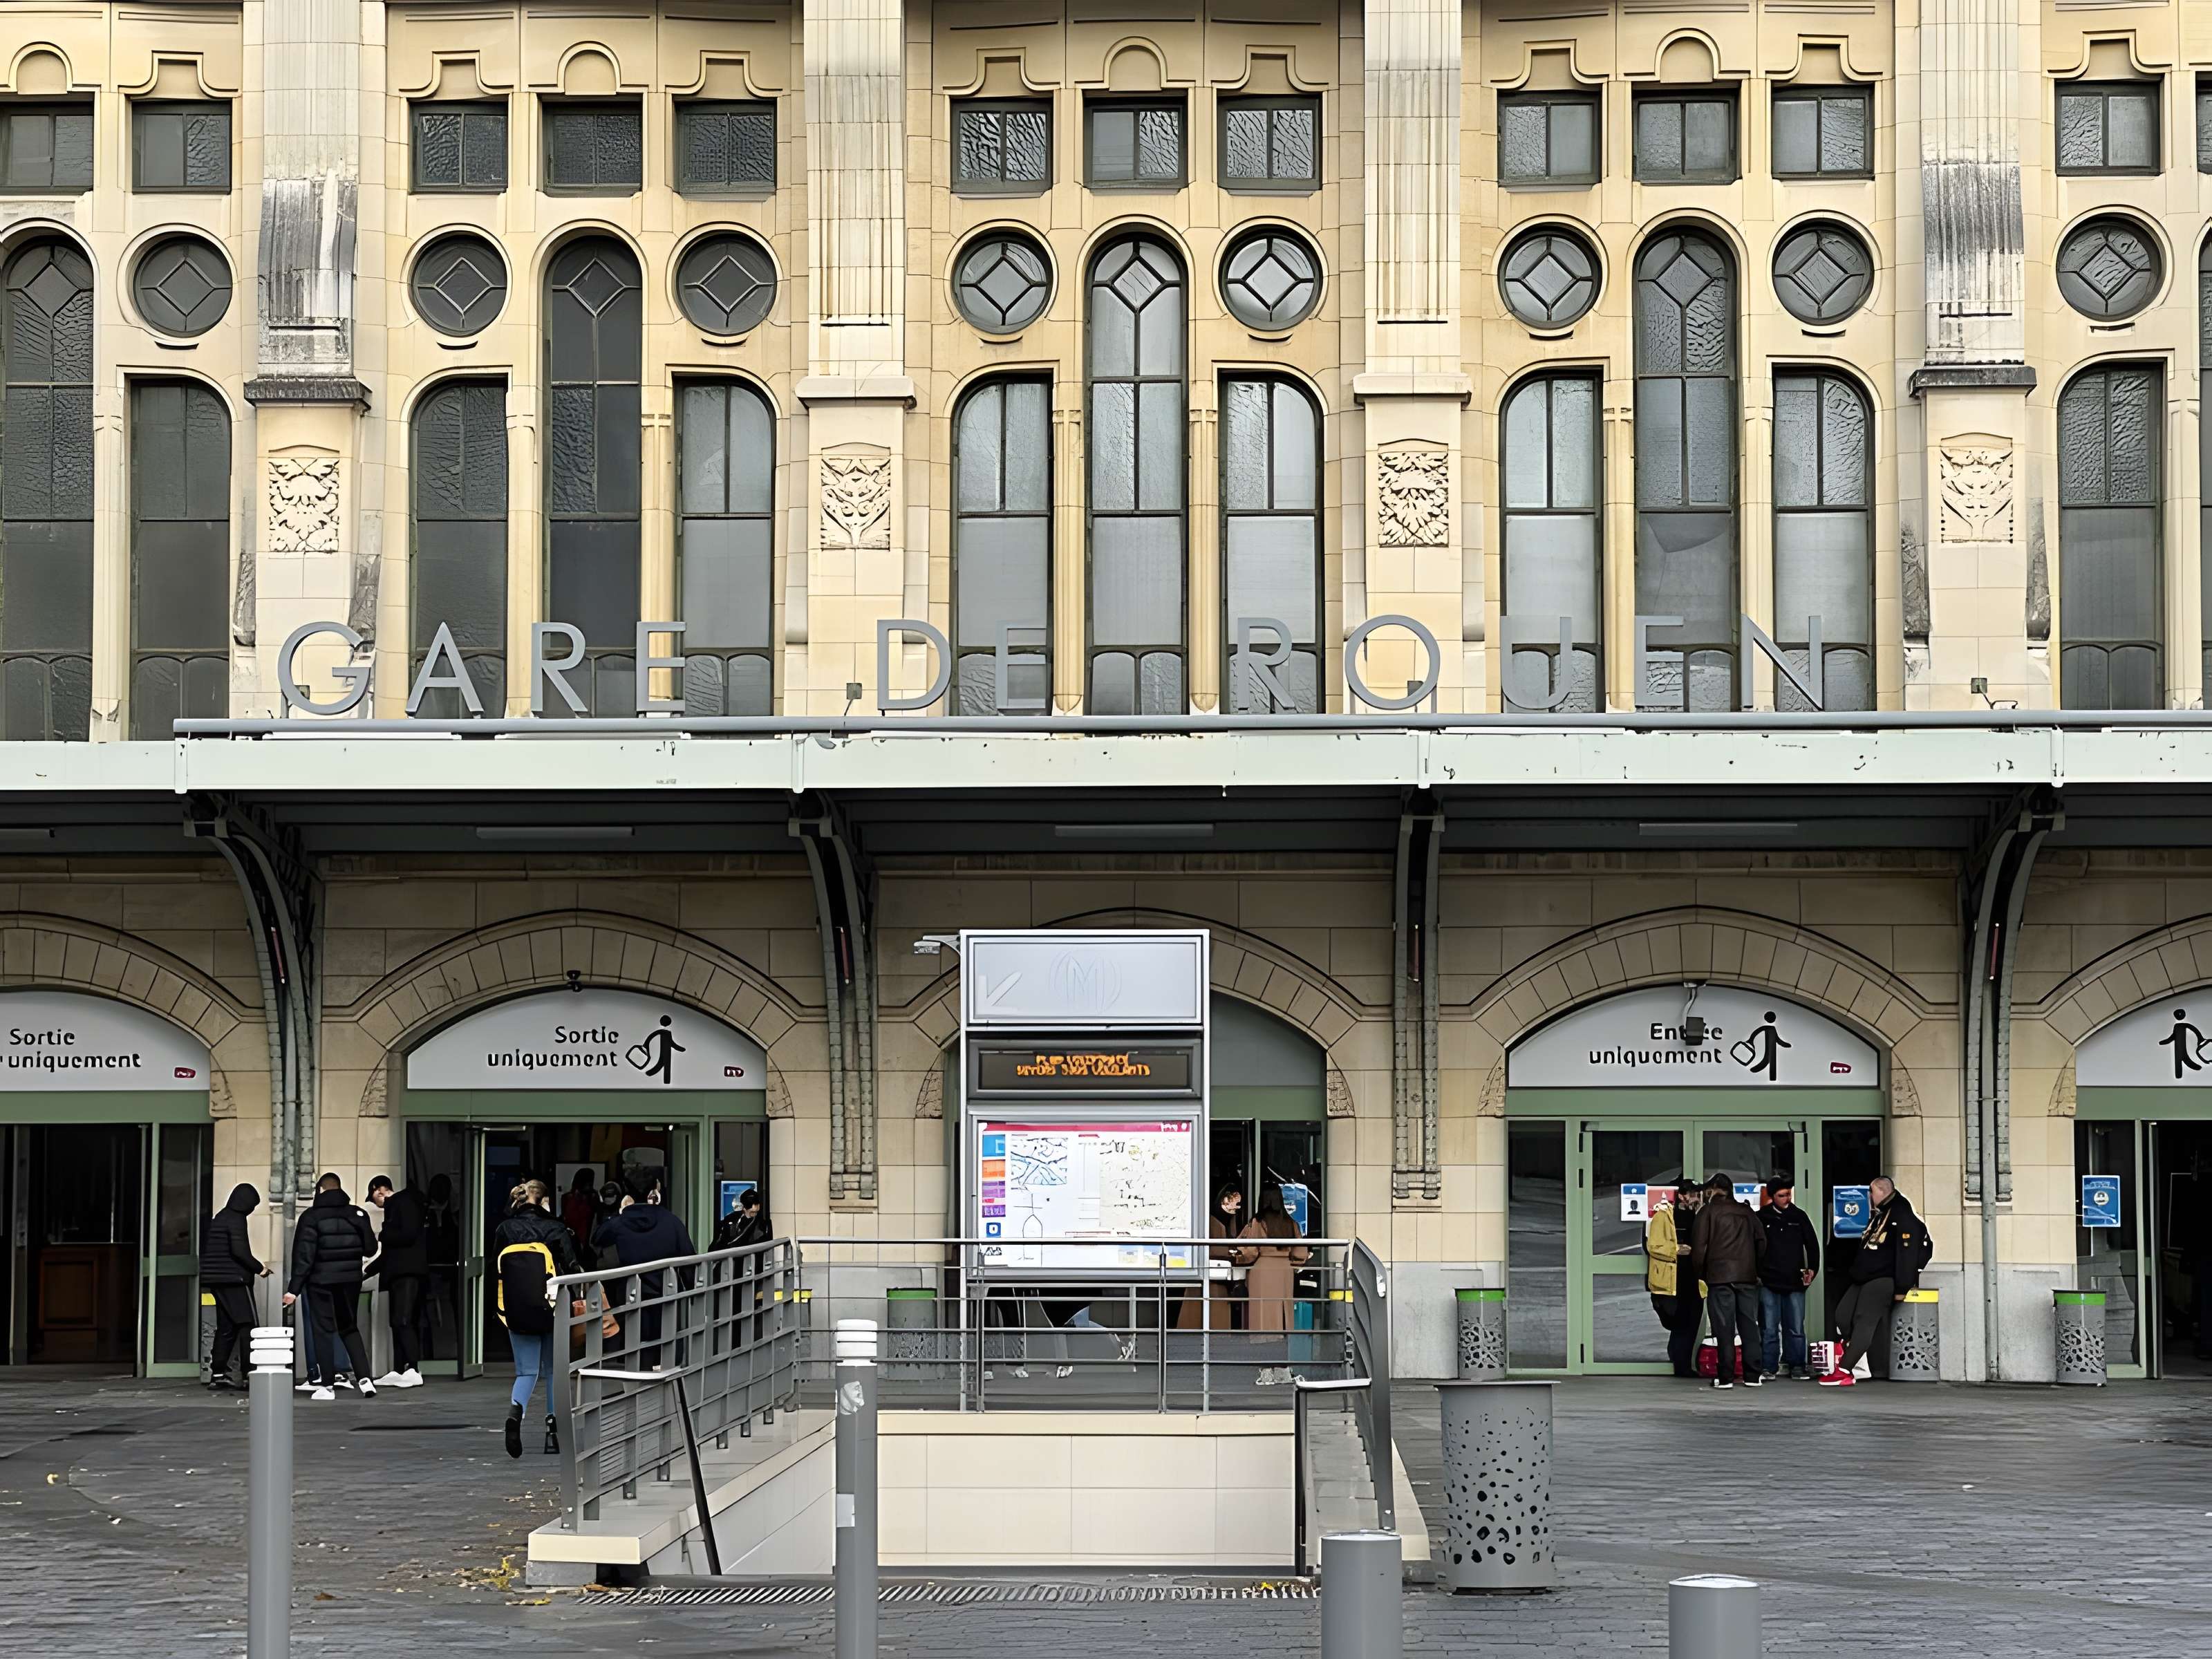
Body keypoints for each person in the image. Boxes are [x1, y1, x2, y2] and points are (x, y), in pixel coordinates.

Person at [491, 1179, 585, 1458]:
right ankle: (553, 1430)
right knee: (554, 1371)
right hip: (552, 1309)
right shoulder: (555, 1228)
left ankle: (515, 1414)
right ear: (545, 1201)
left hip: (516, 1309)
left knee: (526, 1372)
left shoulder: (505, 1229)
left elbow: (495, 1267)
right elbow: (572, 1267)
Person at [1821, 1175, 1930, 1387]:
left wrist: (1903, 1285)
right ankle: (1860, 1364)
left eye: (1871, 1192)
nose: (1869, 1197)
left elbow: (1910, 1253)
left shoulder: (1901, 1214)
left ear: (1881, 1191)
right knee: (1842, 1316)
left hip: (1882, 1279)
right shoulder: (1880, 1215)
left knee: (1865, 1320)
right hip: (1863, 1277)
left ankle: (1845, 1370)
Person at [283, 1177, 379, 1400]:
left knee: (323, 1330)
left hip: (320, 1283)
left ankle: (327, 1385)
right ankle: (365, 1380)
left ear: (320, 1190)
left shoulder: (311, 1217)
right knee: (349, 1327)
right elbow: (370, 1249)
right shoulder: (358, 1214)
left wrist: (293, 1290)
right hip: (350, 1281)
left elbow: (304, 1257)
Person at [600, 1165, 696, 1368]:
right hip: (666, 1294)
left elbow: (597, 1239)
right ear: (655, 1190)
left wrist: (621, 1211)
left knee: (637, 1350)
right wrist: (692, 1289)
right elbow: (689, 1260)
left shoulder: (619, 1223)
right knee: (667, 1350)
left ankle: (638, 1391)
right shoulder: (671, 1222)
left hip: (631, 1295)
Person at [1689, 1173, 1765, 1389]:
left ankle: (1726, 1377)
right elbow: (1762, 1241)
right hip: (1747, 1277)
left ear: (1714, 1190)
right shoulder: (1746, 1212)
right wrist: (1755, 1267)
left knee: (1724, 1329)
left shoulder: (1707, 1213)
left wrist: (1703, 1273)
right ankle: (1753, 1375)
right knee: (1749, 1326)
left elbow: (1699, 1250)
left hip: (1719, 1277)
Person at [1234, 1185, 1310, 1385]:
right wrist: (1290, 1262)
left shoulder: (1258, 1222)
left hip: (1262, 1272)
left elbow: (1248, 1251)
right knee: (1282, 1322)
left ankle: (1266, 1373)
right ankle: (1283, 1372)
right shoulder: (1290, 1222)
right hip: (1284, 1273)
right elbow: (1300, 1254)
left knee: (1263, 1324)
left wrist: (1237, 1257)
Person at [199, 1183, 268, 1390]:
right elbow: (240, 1251)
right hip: (235, 1280)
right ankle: (249, 1373)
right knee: (248, 1325)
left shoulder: (220, 1218)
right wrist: (260, 1269)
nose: (252, 1210)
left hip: (217, 1281)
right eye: (252, 1205)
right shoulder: (236, 1219)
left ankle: (218, 1373)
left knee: (227, 1327)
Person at [1756, 1177, 1823, 1379]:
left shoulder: (1799, 1216)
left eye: (1789, 1195)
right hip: (1769, 1281)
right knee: (1769, 1328)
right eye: (1782, 1195)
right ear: (1772, 1196)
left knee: (1795, 1327)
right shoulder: (1762, 1218)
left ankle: (1797, 1366)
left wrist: (1812, 1269)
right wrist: (1758, 1275)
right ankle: (1769, 1367)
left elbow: (1812, 1245)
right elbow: (1753, 1247)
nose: (1787, 1199)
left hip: (1795, 1282)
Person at [366, 1177, 429, 1389]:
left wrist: (384, 1234)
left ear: (379, 1191)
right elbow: (391, 1252)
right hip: (402, 1271)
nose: (376, 1204)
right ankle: (400, 1369)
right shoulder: (403, 1203)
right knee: (398, 1321)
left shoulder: (402, 1202)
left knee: (403, 1319)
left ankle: (412, 1368)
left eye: (375, 1198)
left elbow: (407, 1235)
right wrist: (367, 1271)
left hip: (406, 1272)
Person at [1176, 1180, 1245, 1331]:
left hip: (1214, 1273)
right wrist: (1231, 1253)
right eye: (1232, 1202)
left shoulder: (1223, 1220)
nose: (1235, 1208)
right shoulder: (1213, 1221)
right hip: (1212, 1273)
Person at [1644, 1185, 1698, 1379]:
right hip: (1672, 1279)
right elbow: (1652, 1245)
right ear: (1682, 1196)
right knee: (1678, 1321)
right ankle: (1680, 1364)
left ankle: (1683, 1363)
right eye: (1691, 1194)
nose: (1694, 1198)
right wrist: (1676, 1249)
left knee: (1690, 1324)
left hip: (1694, 1279)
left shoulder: (1698, 1215)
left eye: (1697, 1194)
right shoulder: (1664, 1215)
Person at [711, 1187, 769, 1253]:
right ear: (743, 1206)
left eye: (756, 1204)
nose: (755, 1208)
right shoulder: (730, 1218)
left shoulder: (763, 1225)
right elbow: (719, 1241)